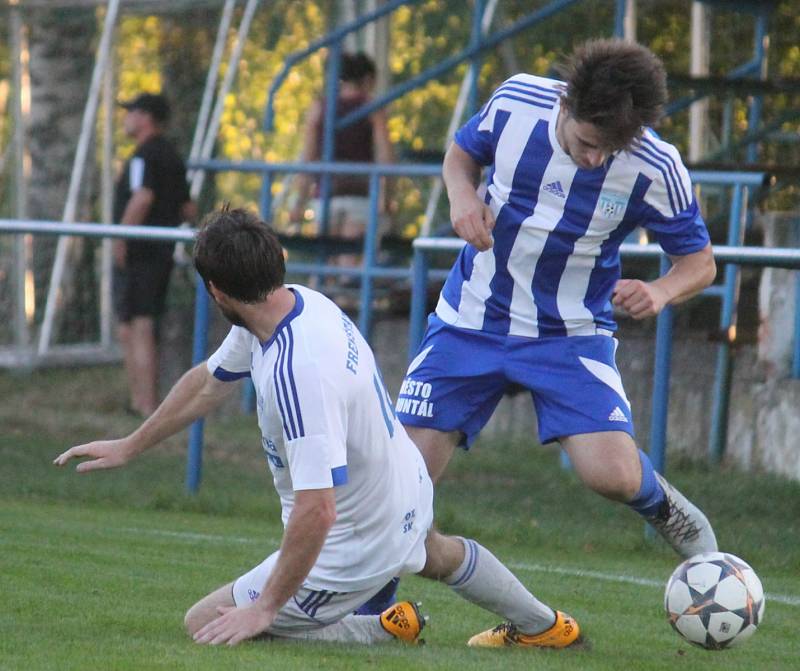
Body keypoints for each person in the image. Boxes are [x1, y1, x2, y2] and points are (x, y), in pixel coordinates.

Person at [55, 206, 580, 650]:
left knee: (205, 623)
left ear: (216, 291)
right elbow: (209, 383)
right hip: (406, 490)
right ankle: (547, 627)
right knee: (436, 554)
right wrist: (132, 444)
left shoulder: (293, 371)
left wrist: (266, 609)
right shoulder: (295, 303)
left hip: (354, 545)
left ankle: (378, 631)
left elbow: (318, 508)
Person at [396, 39, 719, 574]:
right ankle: (379, 615)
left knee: (610, 476)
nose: (595, 159)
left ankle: (676, 516)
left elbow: (700, 262)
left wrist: (660, 291)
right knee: (405, 480)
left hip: (569, 335)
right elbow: (461, 156)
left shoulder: (655, 167)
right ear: (566, 105)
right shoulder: (517, 101)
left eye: (608, 150)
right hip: (470, 320)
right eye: (588, 142)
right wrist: (462, 197)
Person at [113, 92, 197, 417]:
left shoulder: (144, 156)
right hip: (160, 252)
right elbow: (188, 207)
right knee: (134, 324)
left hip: (141, 252)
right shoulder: (172, 156)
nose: (126, 118)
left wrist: (121, 237)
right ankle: (140, 402)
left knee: (140, 324)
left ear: (145, 117)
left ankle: (145, 405)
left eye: (130, 112)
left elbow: (142, 197)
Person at [290, 52, 394, 282]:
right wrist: (387, 199)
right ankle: (350, 303)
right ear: (367, 79)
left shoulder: (320, 107)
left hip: (323, 198)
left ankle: (317, 305)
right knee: (350, 262)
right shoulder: (371, 108)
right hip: (361, 199)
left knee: (325, 262)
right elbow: (386, 160)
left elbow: (306, 160)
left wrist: (299, 203)